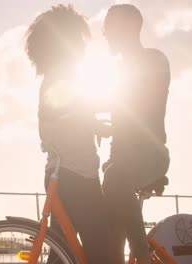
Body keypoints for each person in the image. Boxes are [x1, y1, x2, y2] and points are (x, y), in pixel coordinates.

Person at [25, 5, 109, 263]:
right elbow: (61, 113)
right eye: (78, 39)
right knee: (102, 250)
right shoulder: (61, 76)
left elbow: (64, 116)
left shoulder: (57, 77)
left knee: (62, 253)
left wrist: (93, 124)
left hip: (65, 174)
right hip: (75, 177)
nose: (83, 46)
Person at [102, 4, 170, 264]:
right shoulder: (119, 70)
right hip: (123, 162)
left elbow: (145, 108)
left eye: (108, 27)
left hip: (150, 156)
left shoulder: (154, 60)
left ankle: (143, 256)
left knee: (115, 177)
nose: (104, 33)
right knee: (108, 224)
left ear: (128, 27)